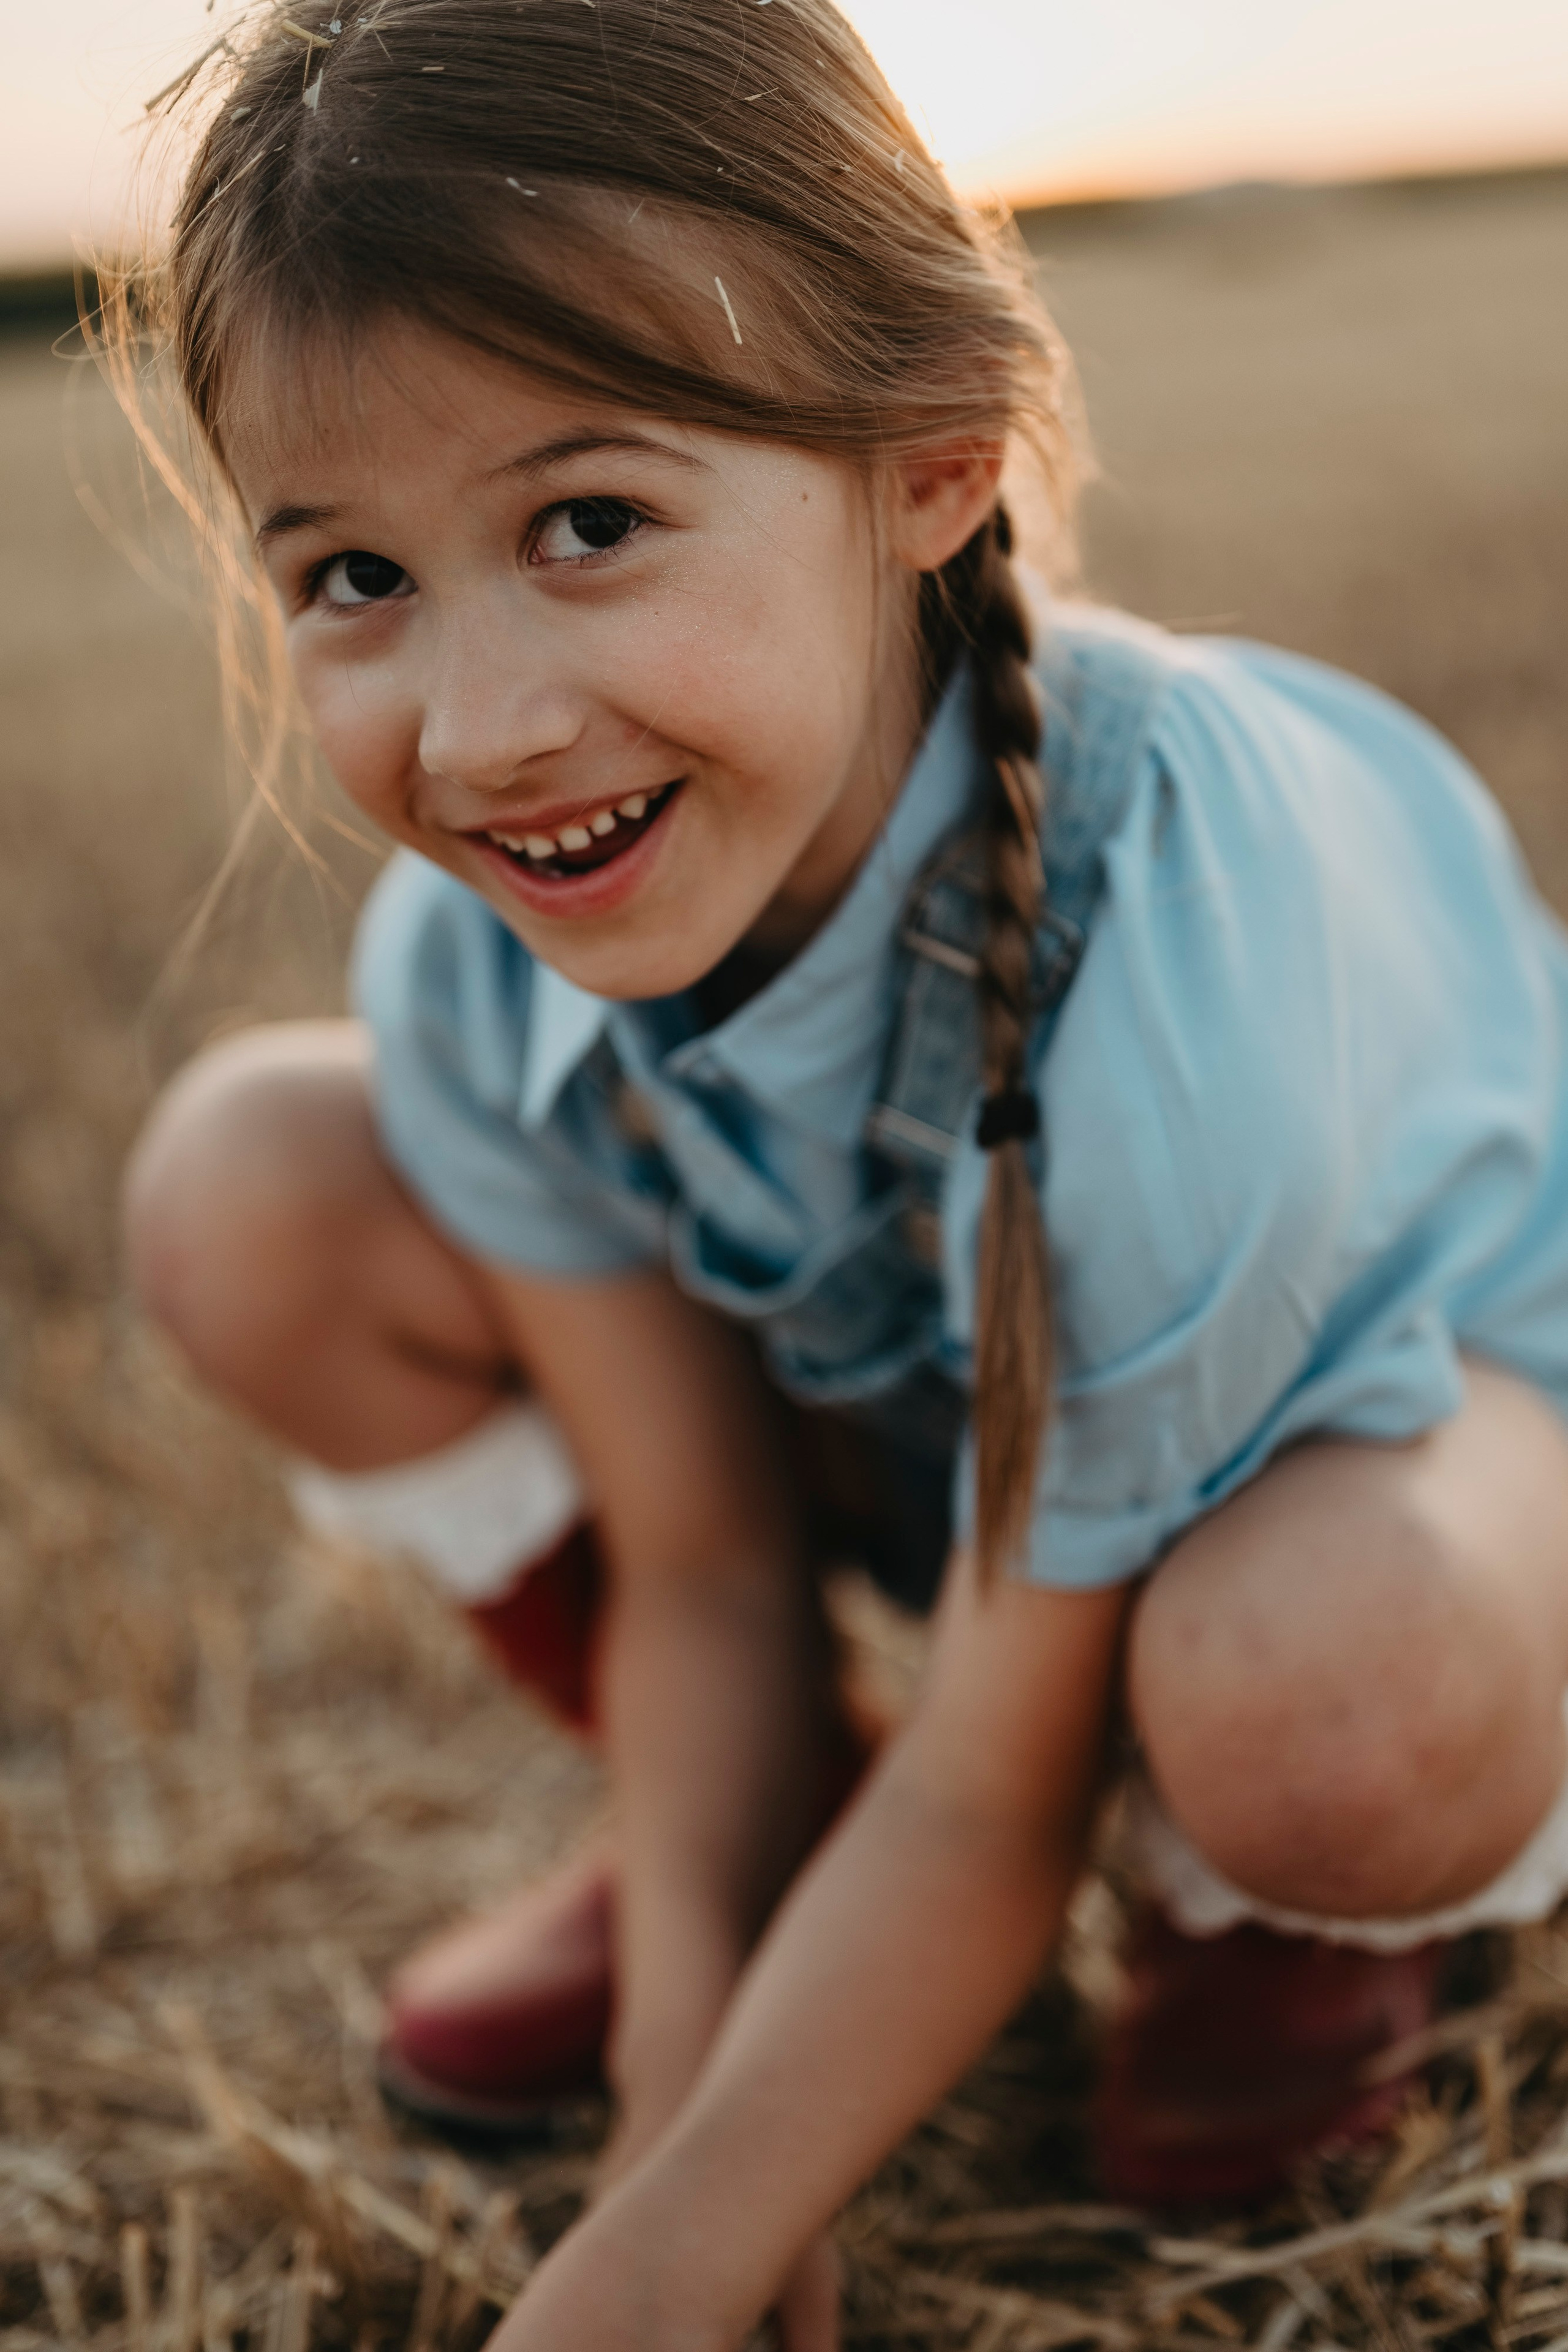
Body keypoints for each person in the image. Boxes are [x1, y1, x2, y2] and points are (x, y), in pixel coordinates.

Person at [116, 2, 1568, 2344]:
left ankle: (1253, 1909)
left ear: (928, 464)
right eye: (353, 578)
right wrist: (702, 2102)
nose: (478, 731)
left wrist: (655, 2267)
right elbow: (702, 1575)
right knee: (246, 1177)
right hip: (951, 1477)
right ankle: (781, 1888)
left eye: (588, 524)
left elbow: (1001, 1795)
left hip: (1419, 1453)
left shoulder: (1169, 912)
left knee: (1325, 1697)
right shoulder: (489, 979)